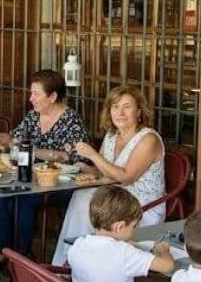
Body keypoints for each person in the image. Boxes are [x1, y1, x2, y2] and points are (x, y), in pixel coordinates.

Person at [0, 70, 89, 260]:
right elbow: (14, 138)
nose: (30, 98)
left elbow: (71, 157)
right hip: (31, 175)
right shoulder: (34, 116)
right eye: (31, 93)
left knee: (25, 199)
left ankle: (21, 256)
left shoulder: (71, 120)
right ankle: (5, 250)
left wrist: (36, 152)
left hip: (62, 182)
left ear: (52, 96)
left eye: (36, 94)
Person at [54, 86, 166, 262]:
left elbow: (126, 177)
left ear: (138, 112)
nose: (120, 112)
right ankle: (71, 260)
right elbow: (103, 171)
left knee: (88, 201)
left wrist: (93, 155)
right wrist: (82, 166)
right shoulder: (112, 135)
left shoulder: (149, 139)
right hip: (114, 196)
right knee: (81, 194)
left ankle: (75, 261)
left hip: (141, 206)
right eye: (115, 107)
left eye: (127, 107)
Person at [65, 185, 174, 282]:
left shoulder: (78, 245)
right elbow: (167, 266)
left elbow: (105, 258)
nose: (135, 231)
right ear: (119, 227)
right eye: (134, 226)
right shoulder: (124, 254)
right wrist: (163, 250)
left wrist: (126, 244)